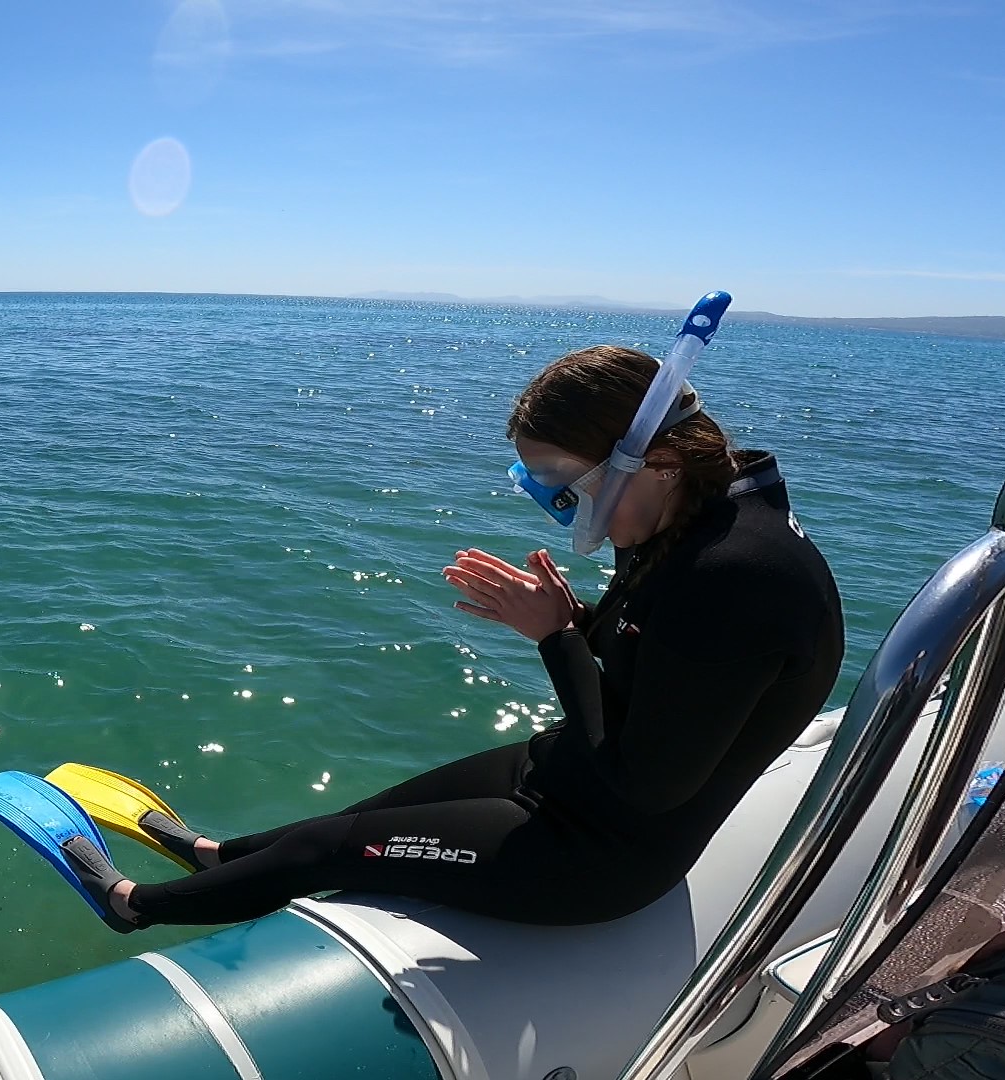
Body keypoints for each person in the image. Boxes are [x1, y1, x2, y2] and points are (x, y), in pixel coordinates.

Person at [54, 344, 845, 930]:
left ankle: (133, 905)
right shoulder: (697, 507)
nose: (567, 514)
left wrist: (557, 639)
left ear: (659, 457)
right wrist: (574, 622)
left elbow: (649, 783)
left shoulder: (735, 576)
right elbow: (651, 659)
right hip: (572, 771)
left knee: (331, 851)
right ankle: (216, 857)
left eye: (567, 490)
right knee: (367, 814)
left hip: (602, 851)